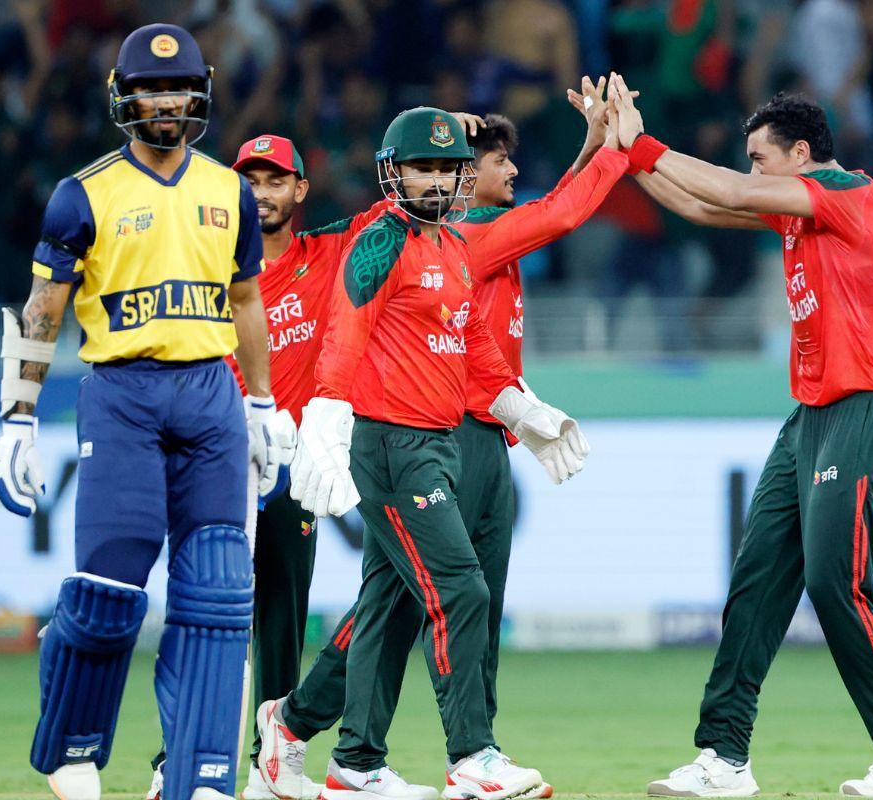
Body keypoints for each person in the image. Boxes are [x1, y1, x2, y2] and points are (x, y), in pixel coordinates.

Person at [254, 83, 631, 800]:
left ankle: (337, 755)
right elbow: (343, 336)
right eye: (419, 168)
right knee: (461, 591)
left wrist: (525, 411)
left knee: (388, 606)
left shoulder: (453, 246)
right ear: (394, 173)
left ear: (460, 177)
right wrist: (328, 429)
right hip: (394, 446)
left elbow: (474, 349)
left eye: (443, 168)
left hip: (434, 440)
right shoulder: (381, 241)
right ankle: (471, 758)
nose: (431, 180)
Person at [616, 80, 873, 797]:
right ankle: (724, 758)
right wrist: (619, 152)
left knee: (833, 579)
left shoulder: (851, 193)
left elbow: (730, 194)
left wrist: (644, 141)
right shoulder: (798, 214)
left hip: (865, 406)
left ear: (802, 154)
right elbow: (698, 201)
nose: (751, 172)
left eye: (759, 157)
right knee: (755, 585)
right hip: (809, 417)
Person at [0, 24, 282, 800]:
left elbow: (247, 301)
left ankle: (201, 777)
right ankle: (74, 745)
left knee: (218, 594)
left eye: (178, 87)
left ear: (200, 94)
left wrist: (261, 404)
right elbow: (45, 308)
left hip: (211, 394)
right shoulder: (83, 193)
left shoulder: (228, 190)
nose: (166, 100)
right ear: (123, 95)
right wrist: (17, 419)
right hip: (121, 393)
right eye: (149, 87)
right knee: (113, 586)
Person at [146, 135, 394, 800]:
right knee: (205, 617)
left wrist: (445, 133)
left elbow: (395, 208)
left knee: (283, 616)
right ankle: (179, 759)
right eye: (249, 180)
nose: (261, 192)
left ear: (300, 190)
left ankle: (269, 766)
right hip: (216, 462)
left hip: (291, 466)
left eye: (275, 180)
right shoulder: (203, 265)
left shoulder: (331, 253)